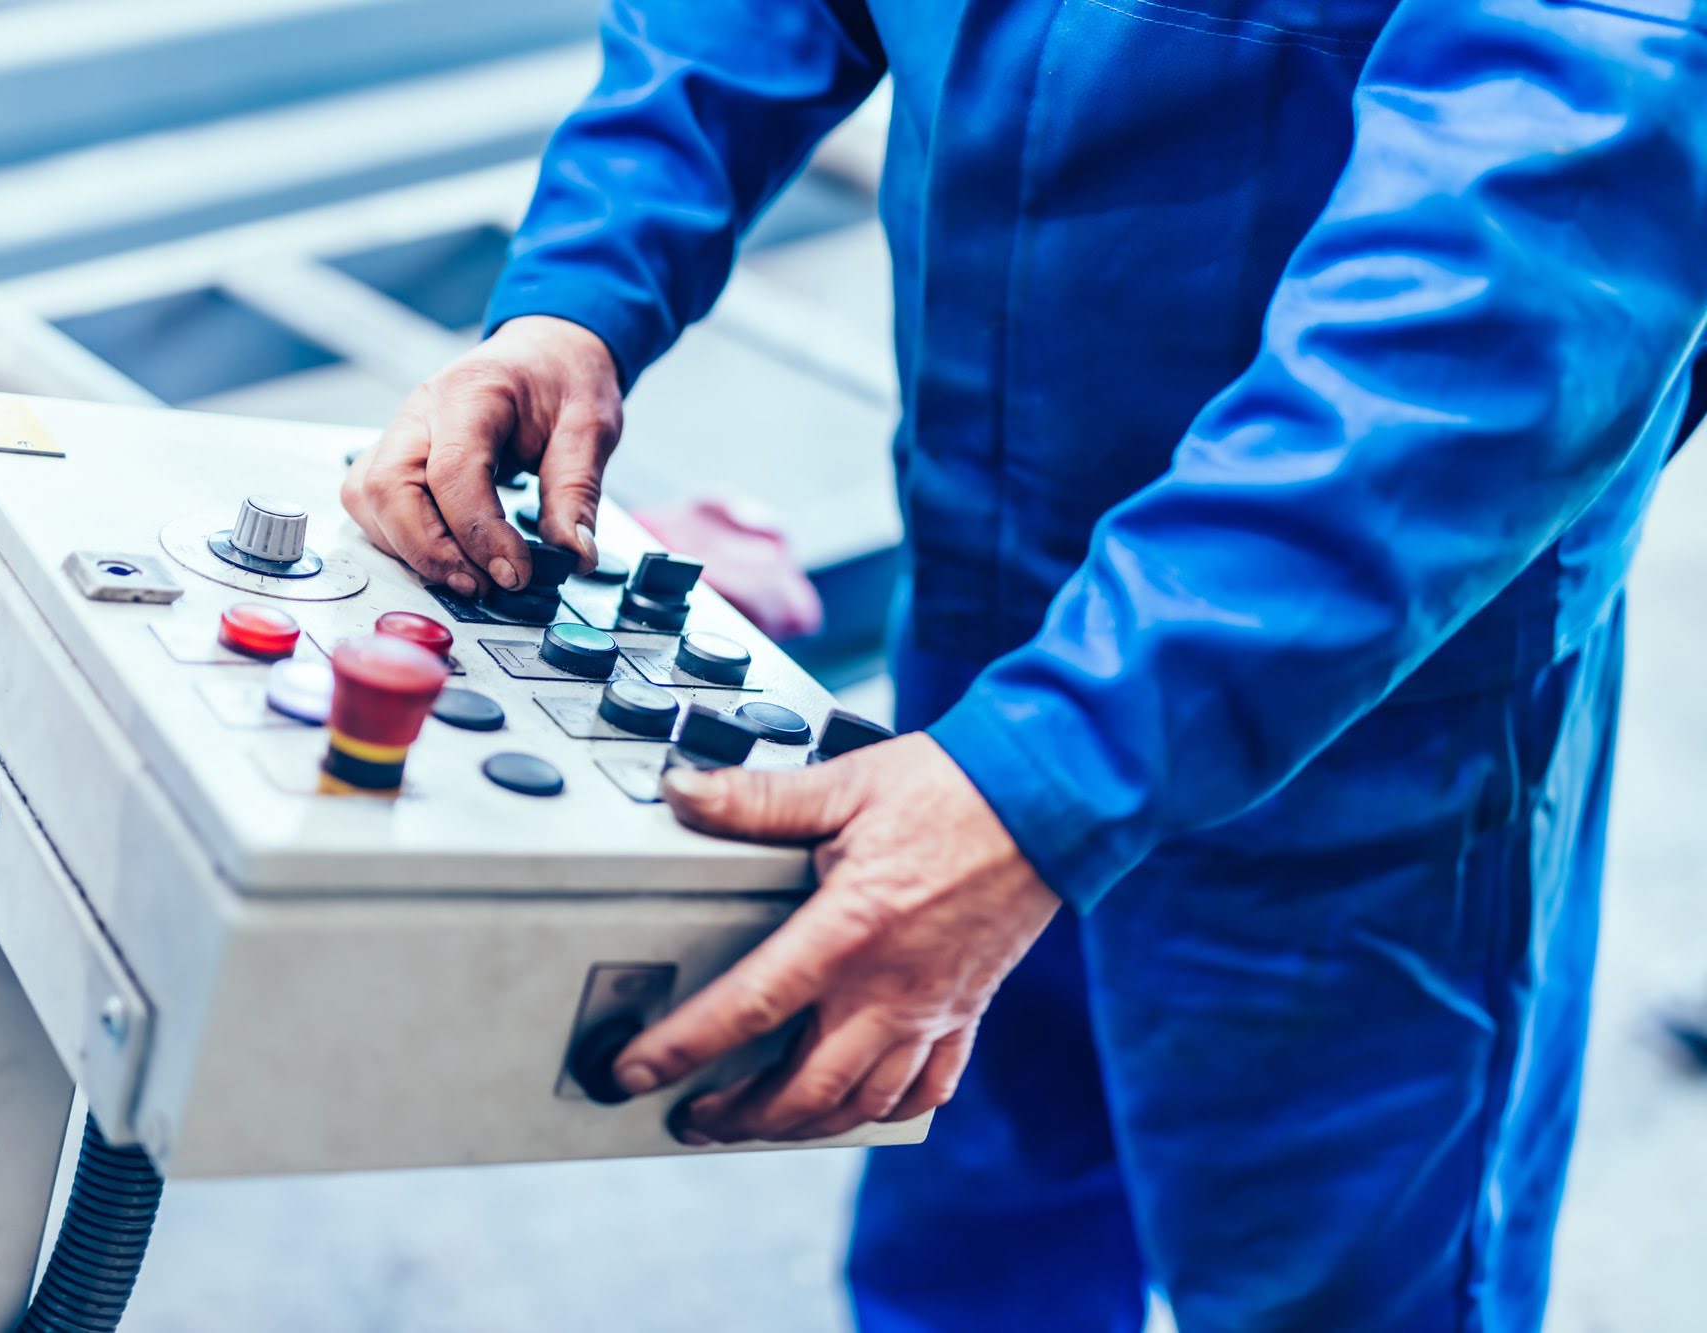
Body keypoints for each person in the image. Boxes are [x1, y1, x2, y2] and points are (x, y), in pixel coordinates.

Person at [341, 2, 1707, 1328]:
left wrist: (1057, 764)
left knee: (1333, 1277)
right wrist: (578, 291)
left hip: (1362, 702)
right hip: (987, 607)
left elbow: (1523, 263)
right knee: (979, 1224)